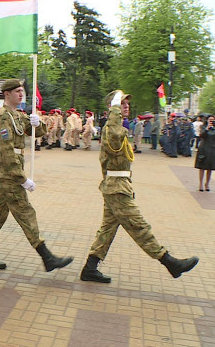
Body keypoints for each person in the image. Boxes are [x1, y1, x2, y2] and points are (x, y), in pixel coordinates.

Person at [80, 90, 198, 283]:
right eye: (122, 104)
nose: (126, 107)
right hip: (116, 188)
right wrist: (115, 108)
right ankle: (169, 262)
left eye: (127, 104)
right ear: (113, 109)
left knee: (107, 230)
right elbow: (115, 134)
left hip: (118, 186)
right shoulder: (112, 128)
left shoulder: (118, 127)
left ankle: (90, 268)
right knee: (138, 226)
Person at [0, 79, 73, 272]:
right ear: (7, 94)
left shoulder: (17, 115)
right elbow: (6, 151)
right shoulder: (4, 117)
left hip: (11, 169)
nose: (21, 94)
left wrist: (37, 123)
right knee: (25, 212)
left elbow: (37, 132)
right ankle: (46, 256)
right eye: (17, 91)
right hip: (9, 172)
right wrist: (21, 178)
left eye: (22, 91)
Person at [195, 115, 215, 192]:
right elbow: (201, 135)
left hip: (212, 149)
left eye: (213, 120)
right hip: (203, 148)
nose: (211, 121)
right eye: (210, 120)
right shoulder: (203, 127)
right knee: (202, 167)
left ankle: (207, 183)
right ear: (207, 120)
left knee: (209, 168)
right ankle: (200, 184)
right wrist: (207, 128)